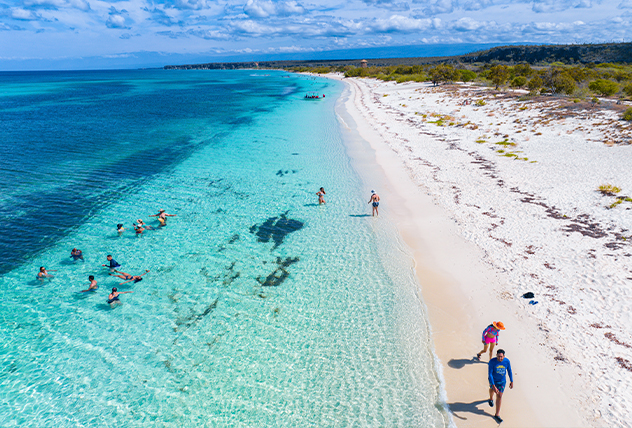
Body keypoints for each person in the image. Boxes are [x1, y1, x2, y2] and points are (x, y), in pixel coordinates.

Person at [488, 349, 514, 423]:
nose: (500, 358)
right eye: (498, 356)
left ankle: (497, 414)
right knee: (492, 390)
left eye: (501, 357)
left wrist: (511, 381)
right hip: (493, 380)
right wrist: (493, 385)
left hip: (502, 382)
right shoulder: (492, 362)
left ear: (504, 356)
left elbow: (509, 370)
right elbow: (489, 374)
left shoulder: (507, 361)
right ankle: (490, 398)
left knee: (499, 395)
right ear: (496, 355)